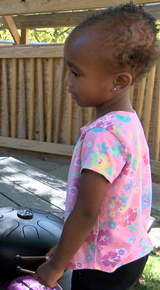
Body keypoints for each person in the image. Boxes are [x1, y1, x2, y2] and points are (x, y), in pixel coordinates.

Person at [34, 4, 157, 290]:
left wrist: (56, 265)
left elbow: (87, 212)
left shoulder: (103, 135)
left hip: (102, 265)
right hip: (130, 253)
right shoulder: (129, 124)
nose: (67, 82)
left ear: (119, 82)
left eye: (76, 73)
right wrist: (67, 249)